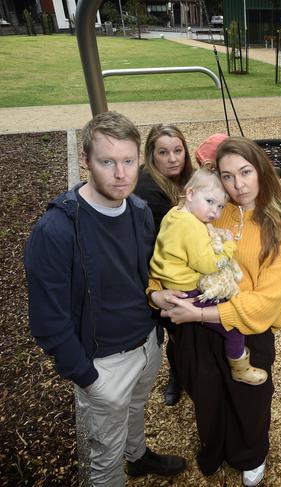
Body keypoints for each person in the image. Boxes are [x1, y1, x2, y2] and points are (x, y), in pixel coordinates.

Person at [24, 111, 187, 485]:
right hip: (103, 364)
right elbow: (48, 321)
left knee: (135, 411)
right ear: (86, 161)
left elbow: (142, 277)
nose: (121, 174)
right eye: (107, 162)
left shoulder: (140, 210)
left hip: (146, 346)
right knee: (103, 458)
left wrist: (157, 300)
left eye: (129, 161)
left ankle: (139, 457)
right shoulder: (56, 230)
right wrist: (87, 377)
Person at [149, 136, 281, 487]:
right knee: (207, 396)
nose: (238, 184)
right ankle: (214, 448)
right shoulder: (213, 207)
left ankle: (250, 453)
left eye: (245, 172)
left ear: (261, 170)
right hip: (195, 326)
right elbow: (171, 255)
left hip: (244, 331)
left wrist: (201, 315)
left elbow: (268, 300)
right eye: (228, 176)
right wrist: (156, 294)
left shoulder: (279, 229)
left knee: (248, 400)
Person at [149, 168, 267, 385]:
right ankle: (239, 367)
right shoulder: (192, 226)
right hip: (189, 288)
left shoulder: (173, 214)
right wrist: (230, 246)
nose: (215, 211)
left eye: (220, 206)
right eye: (210, 201)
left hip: (169, 283)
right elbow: (209, 264)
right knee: (232, 327)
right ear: (191, 193)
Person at [134, 123, 194, 406]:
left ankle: (189, 374)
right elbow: (171, 244)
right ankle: (179, 377)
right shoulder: (150, 191)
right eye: (163, 152)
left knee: (188, 332)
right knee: (180, 332)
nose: (173, 158)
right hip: (165, 277)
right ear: (151, 156)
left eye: (178, 150)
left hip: (186, 268)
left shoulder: (187, 181)